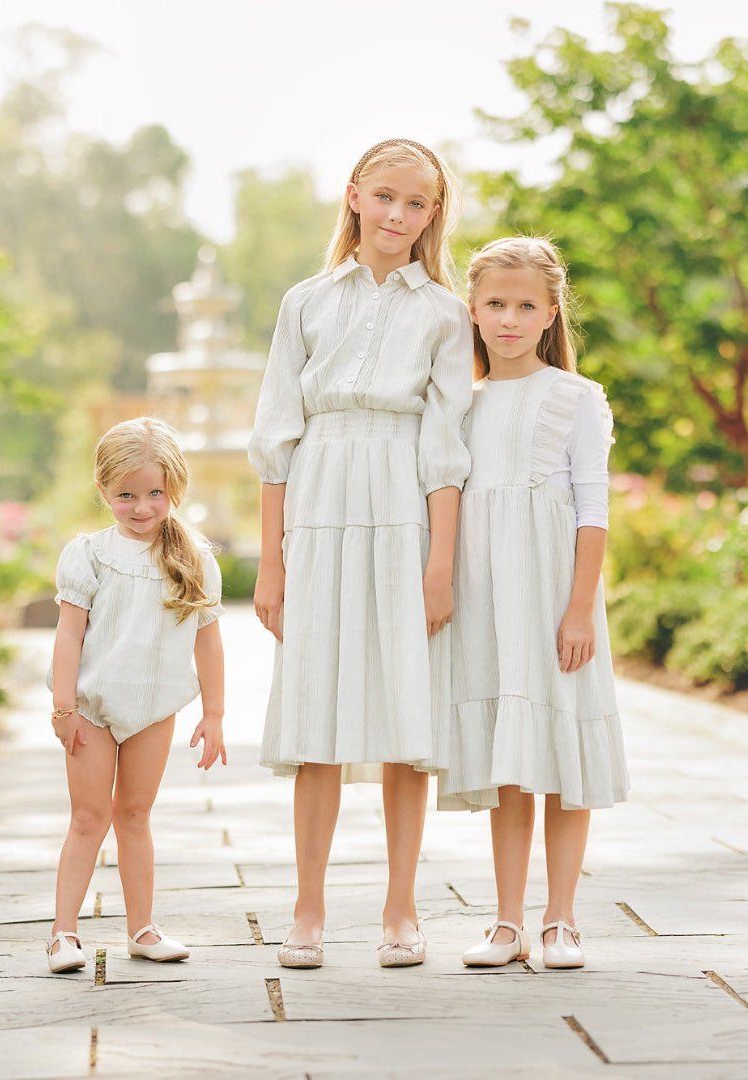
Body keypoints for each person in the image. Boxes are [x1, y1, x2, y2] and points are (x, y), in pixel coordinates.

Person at [248, 138, 473, 969]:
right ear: (352, 196)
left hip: (402, 501)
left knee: (403, 719)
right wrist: (270, 562)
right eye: (385, 197)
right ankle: (307, 909)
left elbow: (447, 446)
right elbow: (276, 433)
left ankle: (402, 909)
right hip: (320, 499)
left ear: (432, 216)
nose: (399, 217)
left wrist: (440, 564)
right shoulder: (305, 302)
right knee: (317, 719)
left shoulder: (446, 314)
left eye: (418, 205)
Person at [440, 236, 629, 970]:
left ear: (551, 313)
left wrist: (579, 609)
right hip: (488, 597)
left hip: (556, 595)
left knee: (563, 750)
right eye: (495, 304)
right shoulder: (463, 402)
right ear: (474, 311)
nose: (509, 319)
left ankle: (561, 921)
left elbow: (592, 508)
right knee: (510, 759)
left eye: (525, 306)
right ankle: (508, 922)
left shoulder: (577, 398)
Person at [45, 416, 226, 973]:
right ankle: (63, 935)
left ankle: (142, 929)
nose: (141, 506)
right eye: (125, 495)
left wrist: (214, 714)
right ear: (103, 490)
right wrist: (64, 707)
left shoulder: (193, 559)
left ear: (175, 487)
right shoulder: (90, 554)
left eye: (154, 493)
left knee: (135, 815)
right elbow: (69, 635)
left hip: (152, 710)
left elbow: (208, 641)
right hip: (92, 710)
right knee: (88, 816)